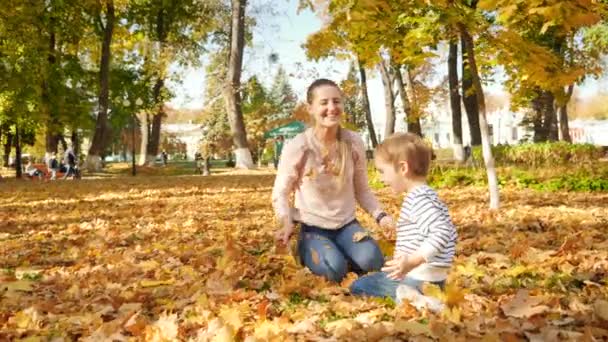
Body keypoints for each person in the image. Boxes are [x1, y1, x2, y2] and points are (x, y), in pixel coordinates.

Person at [272, 78, 394, 283]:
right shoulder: (299, 146)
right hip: (313, 227)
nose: (332, 108)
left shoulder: (353, 142)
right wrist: (285, 221)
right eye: (324, 102)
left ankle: (345, 251)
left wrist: (381, 216)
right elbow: (280, 192)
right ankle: (309, 248)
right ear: (310, 108)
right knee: (333, 271)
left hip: (347, 225)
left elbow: (362, 190)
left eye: (336, 101)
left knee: (373, 262)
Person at [350, 133, 458, 300]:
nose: (381, 178)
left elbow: (442, 232)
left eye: (382, 171)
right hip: (434, 278)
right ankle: (422, 296)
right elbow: (447, 232)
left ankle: (415, 298)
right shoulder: (429, 195)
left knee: (359, 286)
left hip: (419, 277)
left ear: (403, 168)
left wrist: (412, 262)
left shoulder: (418, 199)